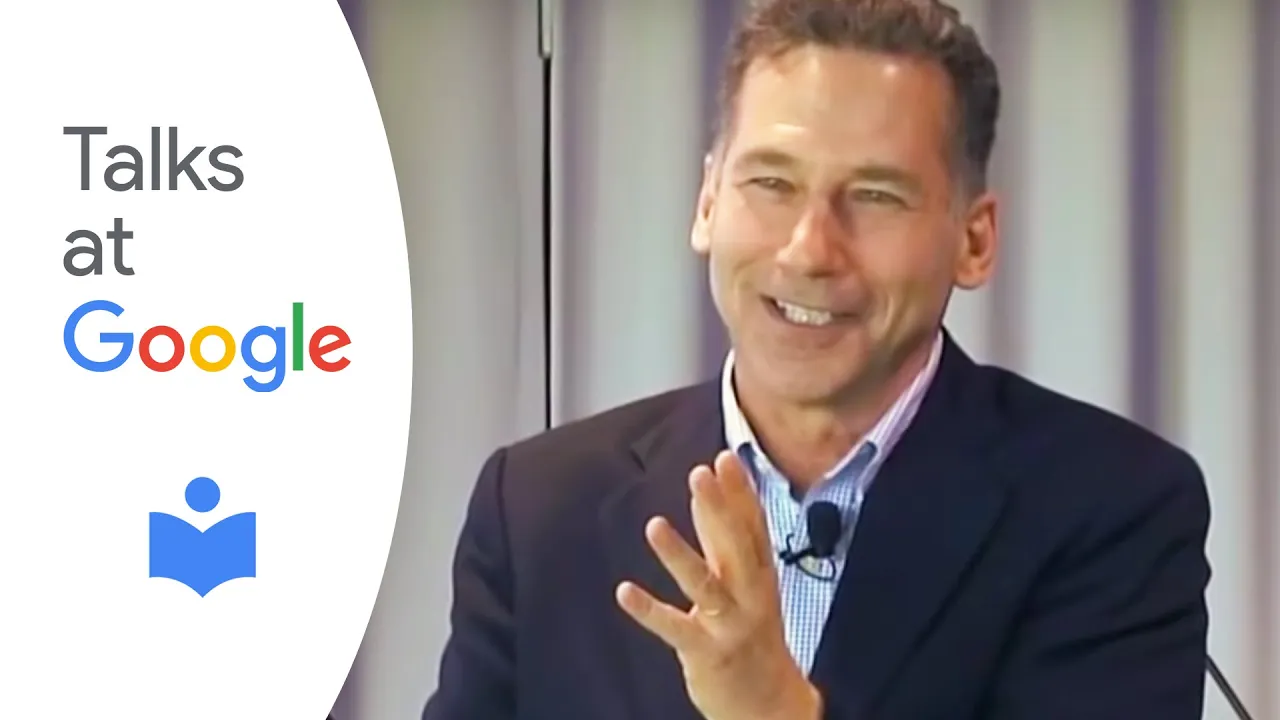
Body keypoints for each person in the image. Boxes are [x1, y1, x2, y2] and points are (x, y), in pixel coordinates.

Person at [421, 0, 1211, 718]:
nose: (809, 250)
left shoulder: (1113, 507)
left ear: (974, 239)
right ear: (708, 203)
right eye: (772, 183)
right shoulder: (538, 508)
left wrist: (773, 711)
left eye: (875, 196)